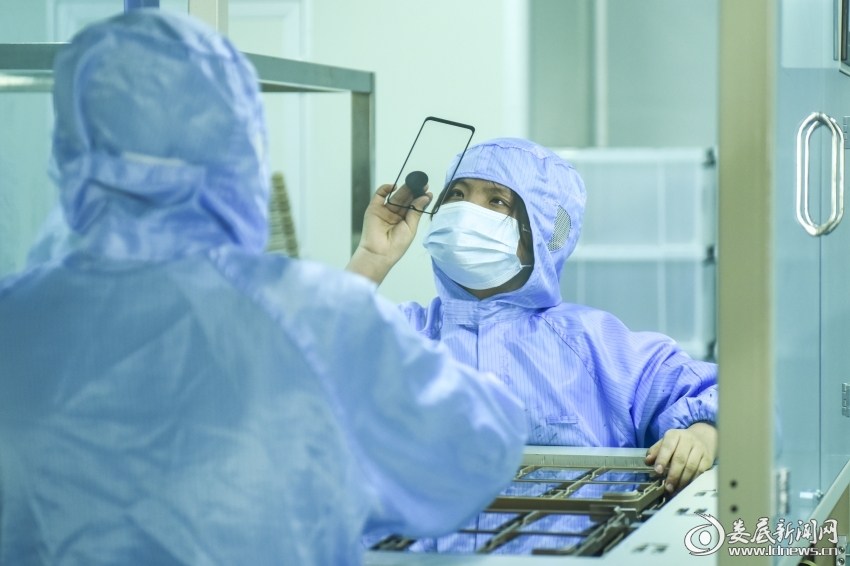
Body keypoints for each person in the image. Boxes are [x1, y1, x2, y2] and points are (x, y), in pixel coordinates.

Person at [0, 12, 528, 566]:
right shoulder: (313, 317)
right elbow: (471, 452)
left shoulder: (14, 316)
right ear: (239, 146)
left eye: (497, 202)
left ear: (70, 150)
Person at [348, 137, 718, 496]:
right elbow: (315, 372)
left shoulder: (594, 344)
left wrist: (701, 436)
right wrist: (372, 257)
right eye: (456, 195)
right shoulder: (403, 335)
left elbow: (726, 397)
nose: (465, 211)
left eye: (496, 200)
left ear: (545, 231)